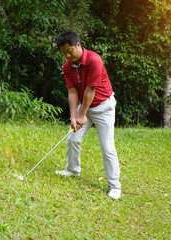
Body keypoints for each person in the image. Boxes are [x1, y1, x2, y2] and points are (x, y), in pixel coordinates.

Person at [55, 31, 121, 199]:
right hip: (83, 106)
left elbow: (90, 90)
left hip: (102, 107)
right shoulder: (67, 66)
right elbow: (72, 92)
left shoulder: (94, 60)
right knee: (73, 139)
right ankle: (72, 170)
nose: (67, 55)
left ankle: (114, 186)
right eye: (64, 52)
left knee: (107, 148)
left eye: (69, 50)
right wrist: (73, 117)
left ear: (78, 45)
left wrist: (82, 114)